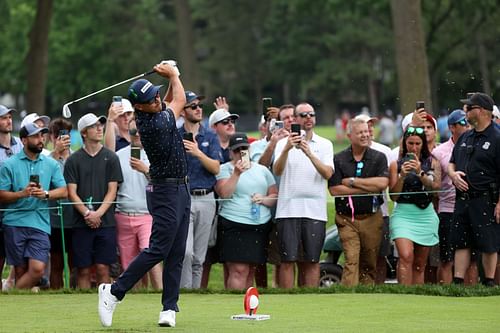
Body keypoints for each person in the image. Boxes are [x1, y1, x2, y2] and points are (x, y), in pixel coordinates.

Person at [98, 62, 189, 328]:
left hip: (181, 188)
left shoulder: (157, 111)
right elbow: (179, 99)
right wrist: (173, 74)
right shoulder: (153, 124)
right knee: (159, 249)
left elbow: (170, 100)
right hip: (165, 191)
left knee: (177, 251)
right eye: (152, 99)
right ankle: (114, 291)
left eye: (158, 94)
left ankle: (169, 308)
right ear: (140, 107)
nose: (158, 100)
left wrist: (168, 80)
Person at [273, 103, 334, 288]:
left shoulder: (325, 144)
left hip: (315, 211)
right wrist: (286, 149)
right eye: (303, 115)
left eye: (311, 114)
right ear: (295, 119)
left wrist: (309, 153)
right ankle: (287, 301)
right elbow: (278, 169)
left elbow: (327, 174)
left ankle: (311, 300)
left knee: (312, 261)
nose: (308, 118)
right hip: (287, 210)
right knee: (287, 260)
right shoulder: (283, 143)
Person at [0, 123, 67, 289]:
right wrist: (22, 193)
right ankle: (20, 305)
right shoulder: (9, 164)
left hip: (40, 223)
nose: (40, 139)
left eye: (41, 136)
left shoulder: (51, 164)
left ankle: (11, 295)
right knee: (21, 269)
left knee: (37, 269)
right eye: (35, 136)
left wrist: (46, 194)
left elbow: (64, 191)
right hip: (14, 222)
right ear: (23, 140)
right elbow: (1, 194)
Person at [64, 113, 123, 289]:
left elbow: (112, 191)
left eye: (101, 125)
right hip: (81, 222)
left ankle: (104, 304)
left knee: (103, 268)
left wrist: (97, 214)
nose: (99, 129)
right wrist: (88, 213)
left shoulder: (111, 158)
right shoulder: (73, 160)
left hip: (106, 222)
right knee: (82, 269)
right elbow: (72, 193)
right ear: (83, 132)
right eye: (94, 126)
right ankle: (83, 309)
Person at [449, 92, 500, 287]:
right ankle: (458, 281)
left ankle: (488, 282)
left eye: (469, 108)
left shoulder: (496, 137)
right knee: (461, 241)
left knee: (489, 243)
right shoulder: (465, 137)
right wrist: (453, 175)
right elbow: (451, 163)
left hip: (486, 198)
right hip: (463, 198)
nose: (465, 111)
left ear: (481, 111)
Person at [329, 118, 388, 286]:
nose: (365, 135)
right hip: (347, 219)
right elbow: (335, 190)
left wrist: (353, 182)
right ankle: (347, 296)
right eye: (360, 132)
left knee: (369, 262)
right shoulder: (339, 159)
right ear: (350, 136)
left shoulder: (379, 158)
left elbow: (382, 185)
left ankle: (366, 296)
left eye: (366, 132)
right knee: (352, 259)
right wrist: (368, 187)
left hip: (372, 217)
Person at [215, 133, 277, 289]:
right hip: (234, 222)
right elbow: (224, 193)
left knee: (250, 269)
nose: (241, 152)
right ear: (231, 152)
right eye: (237, 150)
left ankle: (246, 306)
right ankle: (233, 303)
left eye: (244, 148)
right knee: (238, 269)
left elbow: (274, 195)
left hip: (259, 224)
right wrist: (236, 174)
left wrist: (263, 199)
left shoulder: (262, 170)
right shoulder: (224, 169)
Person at [178, 90, 222, 289]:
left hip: (206, 198)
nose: (198, 109)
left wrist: (197, 152)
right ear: (182, 111)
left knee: (199, 255)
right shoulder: (175, 136)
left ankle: (194, 294)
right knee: (185, 252)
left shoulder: (210, 136)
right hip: (183, 197)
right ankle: (184, 292)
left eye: (199, 106)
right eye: (193, 106)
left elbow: (215, 167)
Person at [389, 125, 441, 285]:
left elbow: (436, 190)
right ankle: (404, 295)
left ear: (423, 144)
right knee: (406, 256)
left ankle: (418, 297)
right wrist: (402, 176)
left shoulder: (433, 162)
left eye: (418, 143)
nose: (414, 147)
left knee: (419, 264)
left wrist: (420, 173)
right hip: (403, 214)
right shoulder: (395, 164)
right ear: (405, 144)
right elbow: (394, 196)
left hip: (425, 215)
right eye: (410, 143)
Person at [114, 118, 162, 290]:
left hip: (147, 215)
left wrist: (145, 170)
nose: (138, 135)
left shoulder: (155, 153)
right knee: (129, 264)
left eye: (141, 130)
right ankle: (135, 299)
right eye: (134, 131)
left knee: (150, 254)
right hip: (123, 214)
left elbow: (161, 183)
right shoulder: (119, 156)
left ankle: (161, 294)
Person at [432, 109, 474, 284]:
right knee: (447, 259)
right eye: (463, 123)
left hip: (472, 207)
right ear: (452, 127)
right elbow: (435, 186)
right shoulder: (440, 152)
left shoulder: (475, 145)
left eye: (468, 123)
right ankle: (448, 294)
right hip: (448, 210)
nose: (467, 126)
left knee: (471, 259)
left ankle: (472, 295)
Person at [353, 114, 393, 284]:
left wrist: (356, 183)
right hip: (355, 214)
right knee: (359, 257)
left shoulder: (385, 151)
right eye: (364, 126)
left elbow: (384, 184)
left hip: (380, 213)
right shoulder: (349, 153)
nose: (369, 129)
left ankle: (380, 289)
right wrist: (371, 184)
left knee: (380, 256)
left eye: (370, 125)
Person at [46, 118, 75, 289]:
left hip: (75, 217)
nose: (62, 139)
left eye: (65, 135)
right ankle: (55, 293)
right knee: (56, 263)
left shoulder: (76, 157)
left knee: (75, 264)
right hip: (54, 219)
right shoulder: (47, 159)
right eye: (58, 135)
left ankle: (75, 295)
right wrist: (56, 154)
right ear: (52, 137)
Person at [0, 105, 23, 291]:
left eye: (9, 117)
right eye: (3, 118)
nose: (8, 121)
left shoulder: (20, 145)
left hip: (18, 208)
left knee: (19, 259)